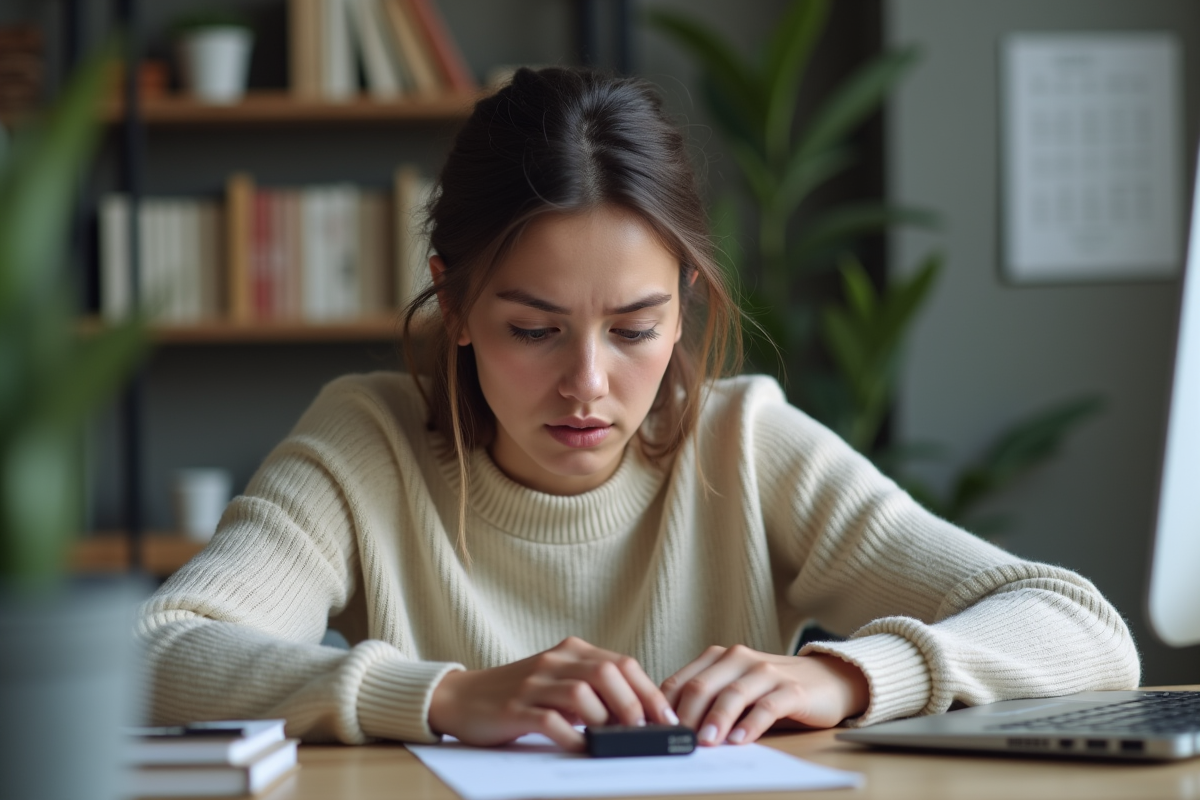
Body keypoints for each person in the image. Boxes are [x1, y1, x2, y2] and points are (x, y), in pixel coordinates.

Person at [137, 67, 1139, 752]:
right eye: (535, 329)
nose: (588, 382)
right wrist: (445, 695)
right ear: (456, 305)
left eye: (634, 328)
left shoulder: (746, 442)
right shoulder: (367, 441)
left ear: (684, 306)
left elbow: (1081, 626)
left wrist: (845, 678)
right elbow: (156, 653)